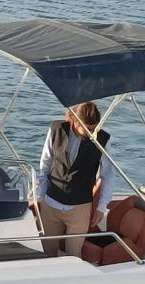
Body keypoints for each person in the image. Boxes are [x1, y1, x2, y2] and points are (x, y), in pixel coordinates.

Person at [36, 102, 114, 258]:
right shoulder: (56, 129)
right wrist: (41, 197)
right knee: (46, 253)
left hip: (80, 208)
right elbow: (45, 164)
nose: (92, 133)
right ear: (76, 121)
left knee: (74, 256)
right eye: (88, 128)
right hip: (51, 203)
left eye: (94, 128)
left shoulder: (102, 139)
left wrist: (101, 207)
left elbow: (108, 175)